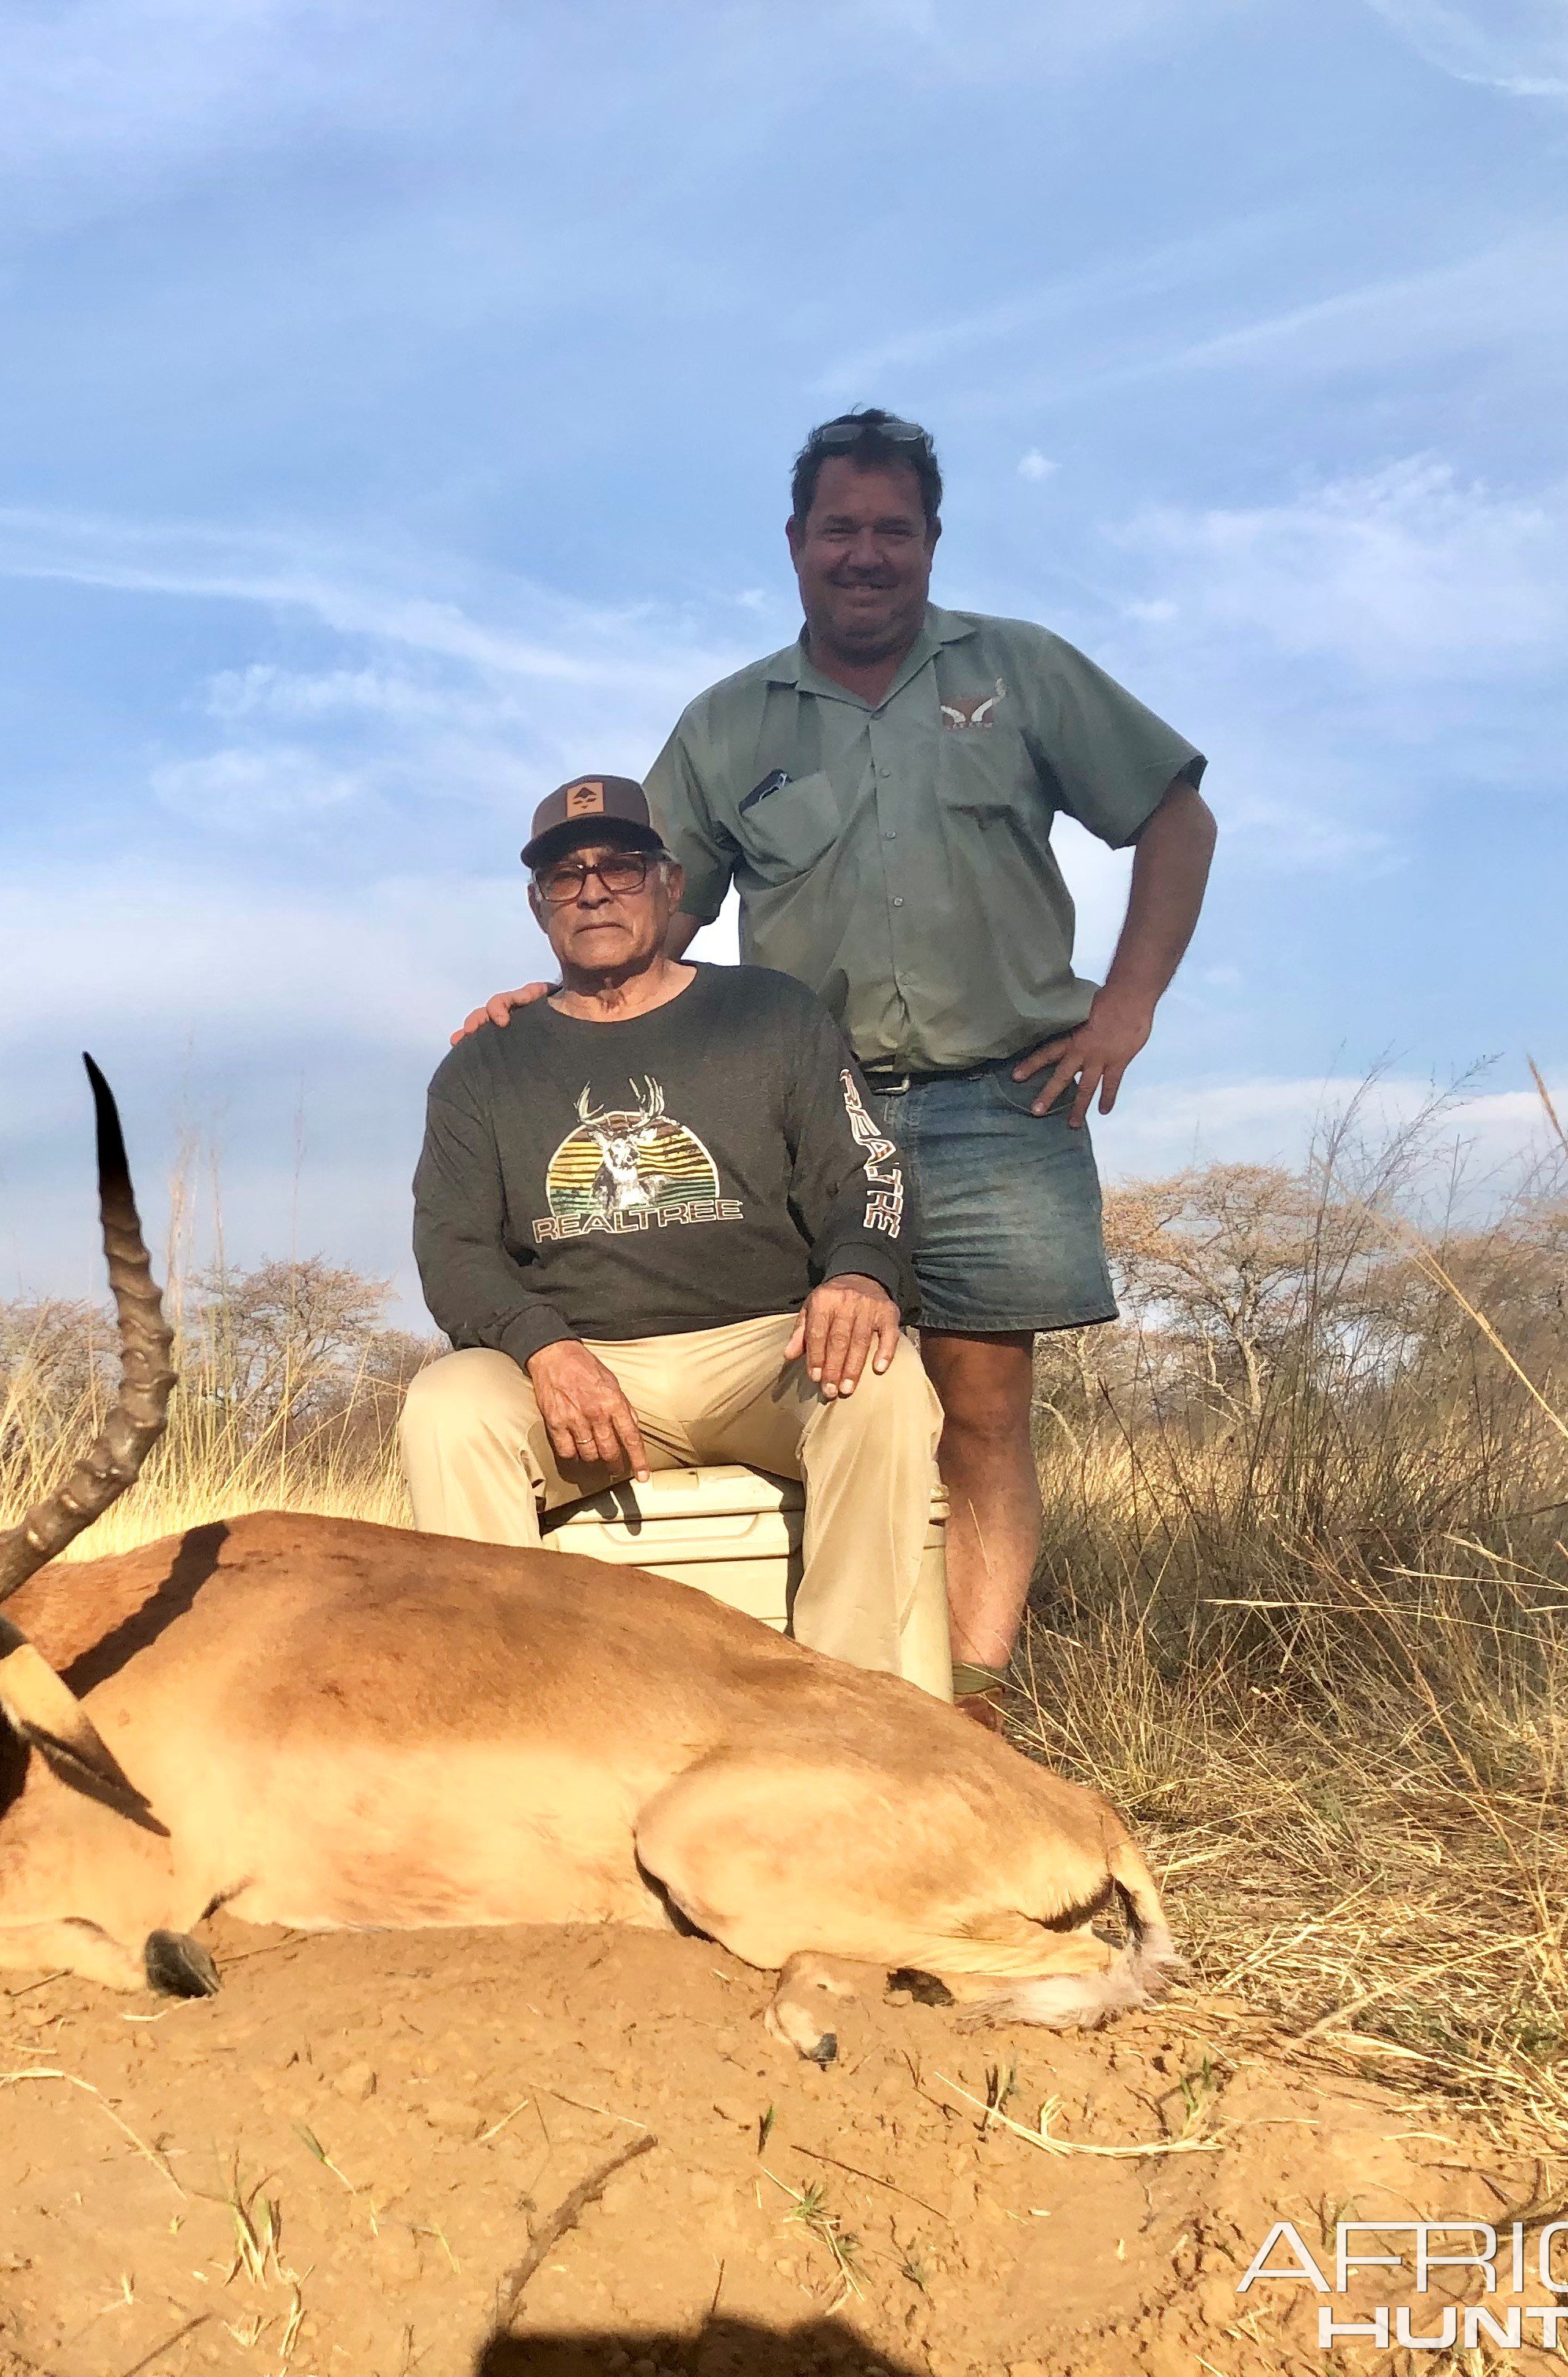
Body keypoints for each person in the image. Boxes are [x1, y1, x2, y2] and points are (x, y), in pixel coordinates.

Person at [460, 412, 1217, 1732]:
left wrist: (1127, 1002)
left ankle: (967, 1693)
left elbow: (1172, 811)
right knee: (826, 1382)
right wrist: (557, 999)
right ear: (795, 543)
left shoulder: (1020, 673)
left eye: (891, 530)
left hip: (1002, 1090)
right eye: (838, 530)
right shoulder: (728, 722)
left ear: (929, 538)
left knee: (978, 1402)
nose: (864, 555)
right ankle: (801, 1684)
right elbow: (647, 905)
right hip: (796, 1106)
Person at [398, 773, 949, 1696]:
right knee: (448, 1408)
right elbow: (451, 1250)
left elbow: (869, 1171)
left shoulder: (771, 1014)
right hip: (577, 1374)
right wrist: (545, 1349)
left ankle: (848, 1710)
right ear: (539, 908)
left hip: (763, 1354)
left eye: (620, 865)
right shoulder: (483, 1065)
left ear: (669, 884)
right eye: (566, 876)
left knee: (881, 1384)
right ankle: (508, 1716)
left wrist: (860, 1274)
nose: (594, 889)